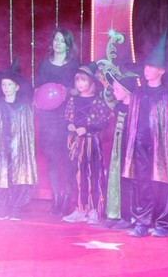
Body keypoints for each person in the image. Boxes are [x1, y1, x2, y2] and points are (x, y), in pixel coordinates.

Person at [122, 33, 168, 238]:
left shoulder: (166, 96)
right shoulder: (138, 94)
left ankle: (163, 223)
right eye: (146, 66)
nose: (147, 70)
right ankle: (141, 222)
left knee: (161, 184)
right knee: (141, 184)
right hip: (140, 146)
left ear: (162, 71)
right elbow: (132, 121)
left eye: (151, 67)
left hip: (160, 148)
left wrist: (161, 145)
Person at [35, 28, 81, 215]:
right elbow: (38, 90)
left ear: (68, 45)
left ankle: (67, 198)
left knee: (68, 160)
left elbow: (81, 89)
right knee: (52, 159)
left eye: (62, 40)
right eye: (56, 40)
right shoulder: (44, 65)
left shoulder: (75, 65)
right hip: (48, 118)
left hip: (68, 117)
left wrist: (67, 91)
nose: (58, 43)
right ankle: (56, 198)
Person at [0, 60, 37, 221]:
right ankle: (1, 209)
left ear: (17, 87)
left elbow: (29, 132)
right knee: (2, 177)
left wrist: (25, 151)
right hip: (2, 149)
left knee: (18, 177)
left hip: (18, 148)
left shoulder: (24, 107)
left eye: (9, 84)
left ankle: (16, 208)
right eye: (3, 84)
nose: (6, 88)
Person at [61, 63, 113, 224]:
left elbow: (104, 122)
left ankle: (94, 210)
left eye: (83, 80)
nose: (79, 83)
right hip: (76, 145)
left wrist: (88, 128)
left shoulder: (97, 101)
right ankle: (79, 208)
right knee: (77, 176)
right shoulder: (73, 100)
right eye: (77, 80)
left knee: (93, 175)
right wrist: (69, 125)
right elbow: (66, 118)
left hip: (91, 144)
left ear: (91, 82)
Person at [103, 73, 138, 230]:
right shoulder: (118, 107)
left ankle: (129, 216)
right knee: (116, 180)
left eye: (117, 89)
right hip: (118, 149)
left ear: (127, 91)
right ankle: (115, 213)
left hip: (131, 151)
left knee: (129, 182)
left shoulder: (136, 109)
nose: (113, 91)